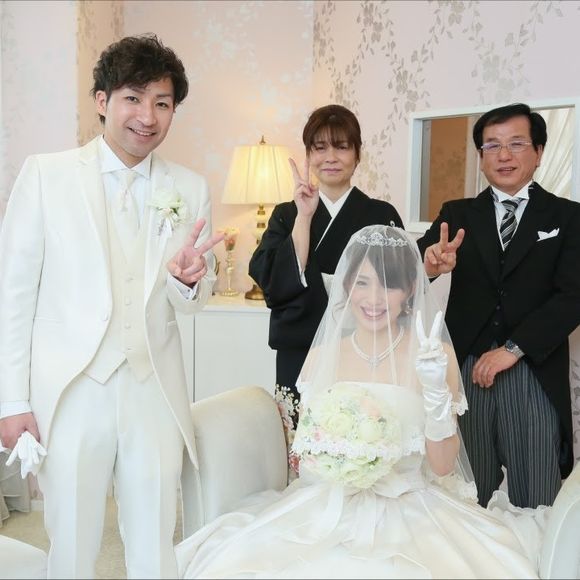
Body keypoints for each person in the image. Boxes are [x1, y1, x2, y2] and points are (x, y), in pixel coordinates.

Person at [175, 224, 543, 579]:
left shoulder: (435, 355)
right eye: (362, 283)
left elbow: (444, 466)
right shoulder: (321, 357)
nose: (373, 299)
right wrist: (346, 466)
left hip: (411, 505)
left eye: (389, 285)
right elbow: (308, 460)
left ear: (410, 289)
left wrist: (434, 390)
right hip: (331, 504)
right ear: (346, 286)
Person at [0, 34, 223, 578]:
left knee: (155, 541)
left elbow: (194, 297)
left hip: (154, 390)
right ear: (102, 100)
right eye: (133, 98)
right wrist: (11, 400)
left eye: (162, 103)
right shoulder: (46, 175)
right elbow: (13, 293)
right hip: (73, 390)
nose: (148, 116)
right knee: (73, 543)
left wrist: (190, 282)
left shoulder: (189, 187)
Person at [418, 102, 580, 509]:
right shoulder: (457, 213)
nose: (504, 155)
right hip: (466, 370)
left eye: (516, 144)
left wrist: (512, 349)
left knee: (536, 496)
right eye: (492, 145)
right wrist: (431, 264)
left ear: (538, 152)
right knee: (468, 493)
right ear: (481, 156)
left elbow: (573, 296)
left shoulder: (568, 217)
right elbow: (412, 267)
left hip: (532, 368)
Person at [249, 104, 403, 426]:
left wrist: (430, 267)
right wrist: (304, 217)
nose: (330, 157)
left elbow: (398, 281)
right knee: (300, 440)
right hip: (299, 350)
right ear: (308, 154)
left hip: (362, 350)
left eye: (341, 147)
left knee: (361, 437)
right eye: (319, 148)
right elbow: (274, 284)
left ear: (357, 155)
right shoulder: (287, 214)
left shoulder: (381, 214)